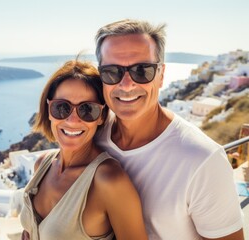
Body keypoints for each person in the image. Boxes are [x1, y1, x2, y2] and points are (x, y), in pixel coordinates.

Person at [94, 19, 244, 240]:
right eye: (112, 72)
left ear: (161, 75)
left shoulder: (202, 159)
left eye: (142, 70)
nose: (126, 85)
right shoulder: (93, 137)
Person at [20, 59, 148, 240]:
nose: (72, 120)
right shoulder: (42, 164)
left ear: (101, 116)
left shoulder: (108, 181)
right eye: (61, 107)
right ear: (49, 109)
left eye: (87, 109)